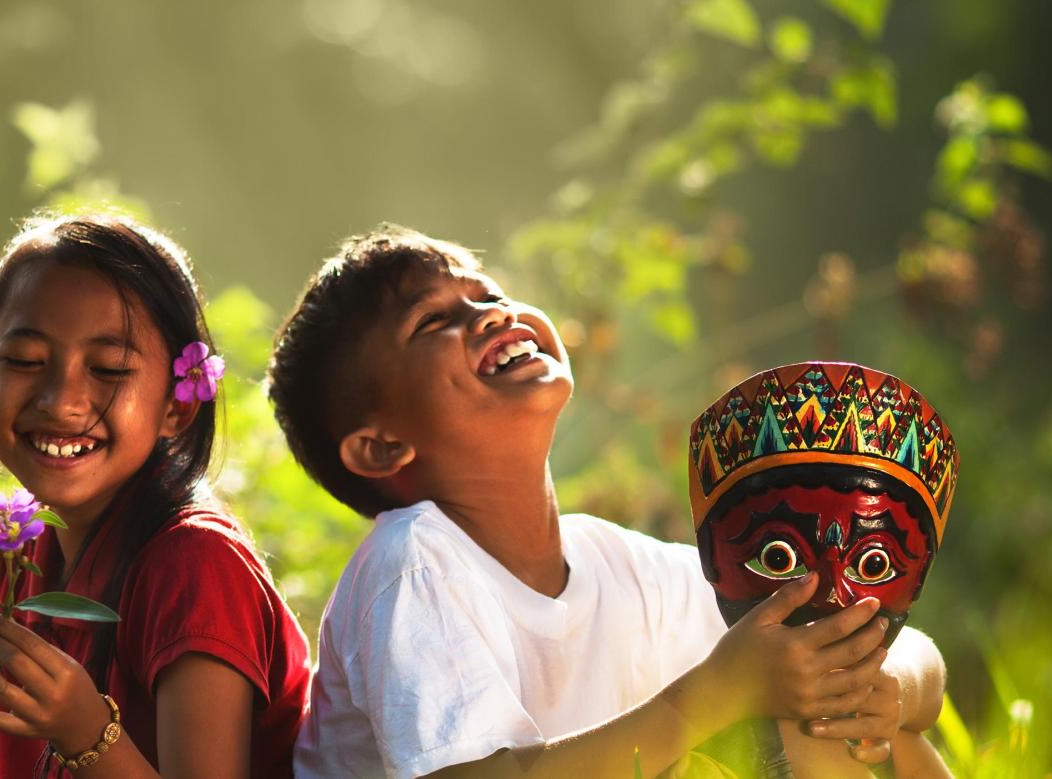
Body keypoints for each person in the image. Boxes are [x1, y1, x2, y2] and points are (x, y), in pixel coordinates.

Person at [263, 227, 947, 778]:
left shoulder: (618, 563)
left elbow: (912, 651)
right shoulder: (412, 563)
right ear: (381, 447)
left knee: (840, 721)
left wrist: (889, 686)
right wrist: (714, 693)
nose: (494, 312)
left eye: (486, 292)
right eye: (434, 319)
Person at [0, 213, 312, 778]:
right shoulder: (24, 544)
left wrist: (85, 732)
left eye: (108, 368)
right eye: (26, 361)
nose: (60, 400)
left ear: (177, 405)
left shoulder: (194, 564)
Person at [676, 362, 958, 777]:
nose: (830, 592)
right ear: (711, 558)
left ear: (920, 574)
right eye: (778, 559)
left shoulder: (886, 734)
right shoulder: (702, 745)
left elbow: (925, 672)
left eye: (873, 564)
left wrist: (902, 684)